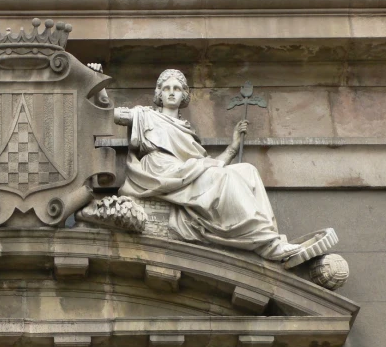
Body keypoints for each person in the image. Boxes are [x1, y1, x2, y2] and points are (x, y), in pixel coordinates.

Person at [115, 69, 301, 261]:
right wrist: (94, 85)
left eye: (177, 88)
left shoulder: (186, 129)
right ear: (159, 93)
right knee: (223, 177)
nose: (171, 92)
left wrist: (232, 147)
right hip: (160, 170)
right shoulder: (144, 115)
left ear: (184, 95)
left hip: (186, 171)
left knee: (248, 171)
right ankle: (266, 243)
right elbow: (106, 114)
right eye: (167, 88)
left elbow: (211, 166)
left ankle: (270, 236)